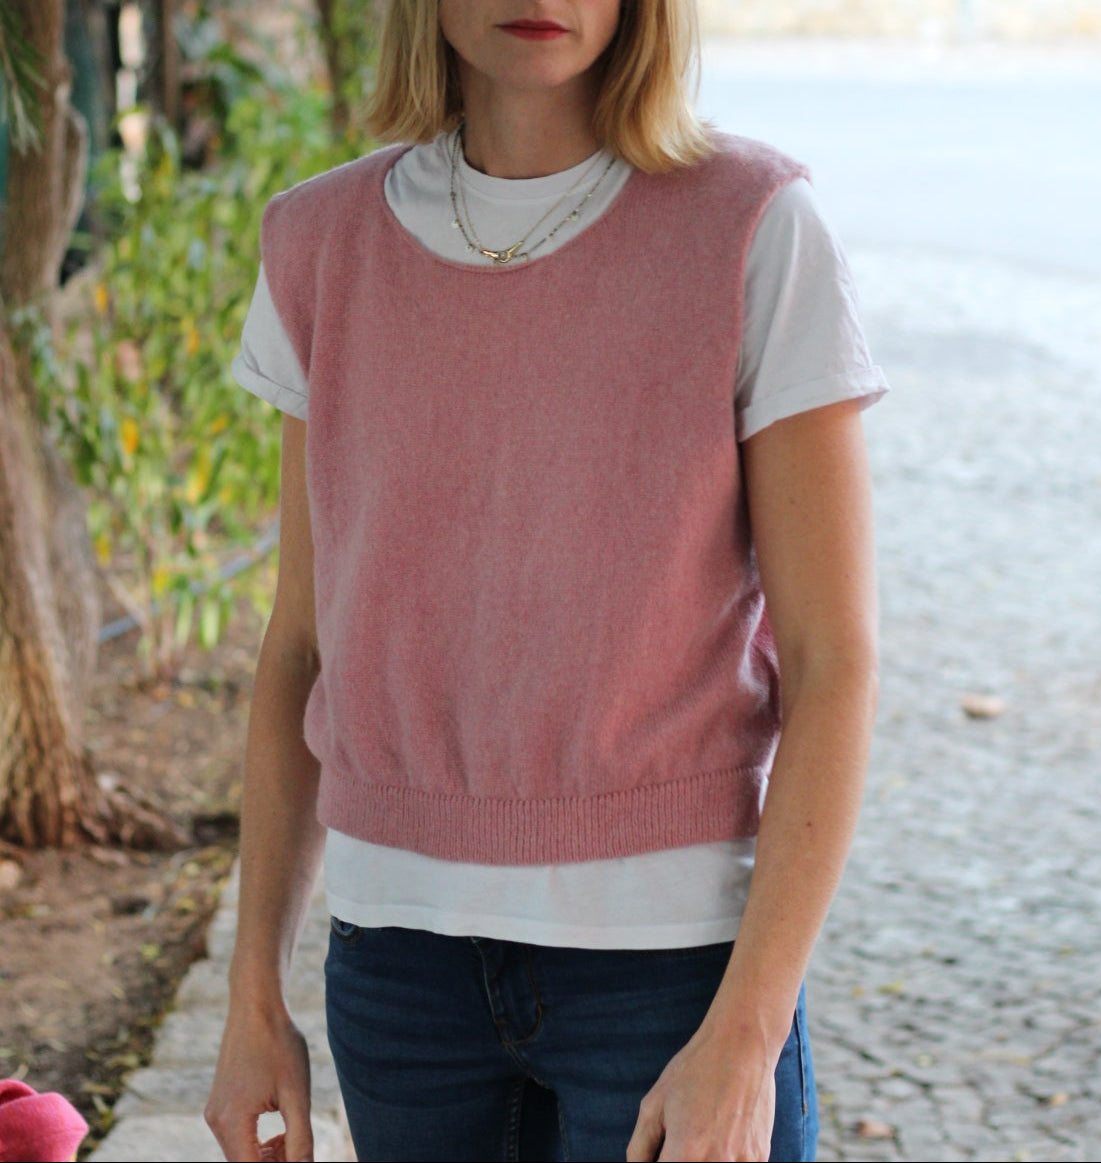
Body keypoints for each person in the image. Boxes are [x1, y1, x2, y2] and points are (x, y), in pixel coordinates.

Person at [205, 2, 887, 1160]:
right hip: (397, 969)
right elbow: (302, 648)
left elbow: (832, 661)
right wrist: (253, 995)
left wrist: (748, 1027)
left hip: (671, 972)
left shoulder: (755, 229)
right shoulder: (319, 242)